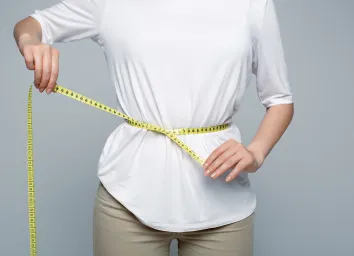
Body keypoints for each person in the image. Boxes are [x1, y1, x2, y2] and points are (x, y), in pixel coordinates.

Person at [13, 0, 294, 255]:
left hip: (224, 206)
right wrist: (30, 42)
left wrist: (256, 153)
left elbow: (280, 100)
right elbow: (31, 25)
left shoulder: (253, 5)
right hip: (126, 200)